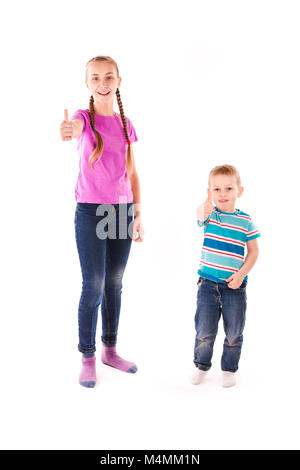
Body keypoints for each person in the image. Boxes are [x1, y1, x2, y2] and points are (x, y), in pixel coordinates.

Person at [60, 55, 144, 388]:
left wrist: (138, 212)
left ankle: (110, 350)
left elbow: (132, 172)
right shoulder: (82, 118)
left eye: (109, 77)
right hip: (91, 211)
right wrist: (68, 130)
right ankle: (88, 356)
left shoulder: (126, 124)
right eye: (95, 78)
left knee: (114, 284)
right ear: (88, 84)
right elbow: (74, 128)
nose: (102, 83)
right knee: (92, 284)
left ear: (118, 82)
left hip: (122, 211)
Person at [192, 164, 260, 388]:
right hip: (207, 285)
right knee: (204, 331)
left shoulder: (245, 221)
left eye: (228, 189)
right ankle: (201, 365)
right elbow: (200, 215)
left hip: (234, 287)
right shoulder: (210, 216)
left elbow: (254, 251)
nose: (223, 194)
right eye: (217, 189)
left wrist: (241, 275)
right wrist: (206, 202)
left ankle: (229, 369)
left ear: (239, 191)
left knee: (233, 332)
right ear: (210, 192)